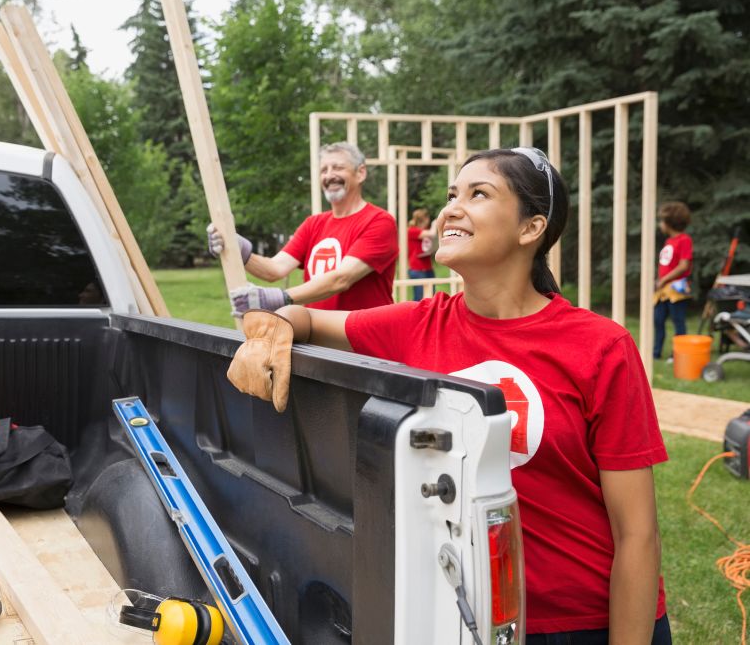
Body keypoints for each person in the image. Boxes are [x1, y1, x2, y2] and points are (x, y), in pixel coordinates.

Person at [226, 147, 671, 643]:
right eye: (451, 194)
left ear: (531, 229)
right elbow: (307, 318)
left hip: (583, 623)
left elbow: (638, 534)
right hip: (461, 614)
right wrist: (271, 330)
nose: (450, 209)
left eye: (478, 194)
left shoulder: (600, 346)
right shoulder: (418, 322)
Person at [207, 142, 397, 315]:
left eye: (338, 168)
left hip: (363, 345)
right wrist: (239, 249)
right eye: (324, 170)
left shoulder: (379, 222)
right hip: (319, 341)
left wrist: (279, 298)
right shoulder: (313, 224)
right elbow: (275, 269)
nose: (329, 175)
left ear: (360, 173)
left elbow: (341, 279)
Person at [653, 202, 694, 361]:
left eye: (662, 221)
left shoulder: (684, 240)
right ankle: (656, 353)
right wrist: (659, 280)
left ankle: (678, 355)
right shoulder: (669, 241)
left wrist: (664, 279)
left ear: (670, 223)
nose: (660, 224)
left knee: (678, 322)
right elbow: (665, 265)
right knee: (658, 320)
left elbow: (684, 265)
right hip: (662, 290)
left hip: (676, 290)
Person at [407, 207, 436, 301]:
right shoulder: (412, 230)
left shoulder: (424, 230)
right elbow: (432, 234)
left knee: (431, 297)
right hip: (417, 269)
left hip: (427, 268)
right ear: (424, 219)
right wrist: (435, 223)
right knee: (419, 299)